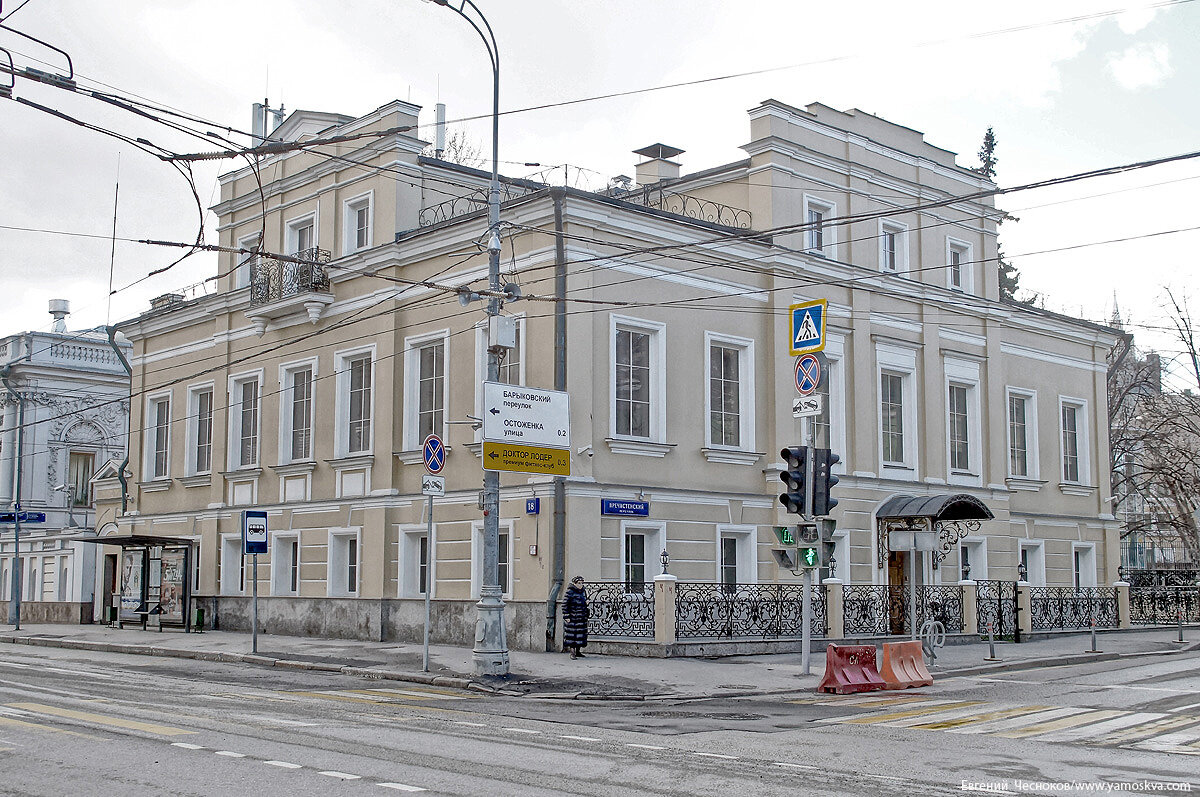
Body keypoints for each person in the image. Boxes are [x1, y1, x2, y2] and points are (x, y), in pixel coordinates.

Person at [563, 575, 589, 659]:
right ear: (574, 583)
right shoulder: (570, 592)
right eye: (579, 583)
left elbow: (583, 603)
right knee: (572, 636)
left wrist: (586, 603)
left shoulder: (583, 592)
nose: (580, 585)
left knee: (580, 635)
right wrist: (566, 616)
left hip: (581, 617)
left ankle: (578, 651)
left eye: (582, 583)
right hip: (573, 618)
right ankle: (572, 653)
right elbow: (565, 604)